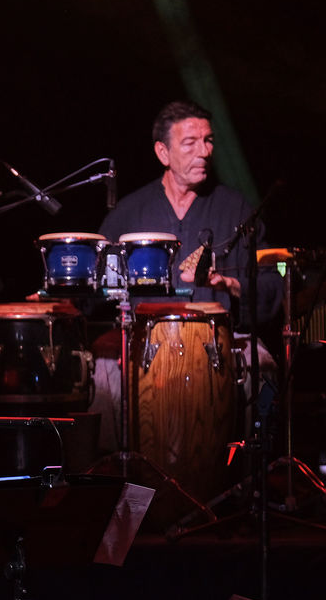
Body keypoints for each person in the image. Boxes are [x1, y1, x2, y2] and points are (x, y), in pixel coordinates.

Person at [91, 100, 282, 454]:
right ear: (162, 152)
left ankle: (252, 471)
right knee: (102, 367)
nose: (204, 152)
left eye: (208, 141)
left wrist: (230, 285)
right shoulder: (129, 212)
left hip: (218, 339)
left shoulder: (235, 208)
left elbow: (272, 283)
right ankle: (112, 472)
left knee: (265, 366)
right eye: (190, 143)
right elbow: (95, 282)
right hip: (144, 342)